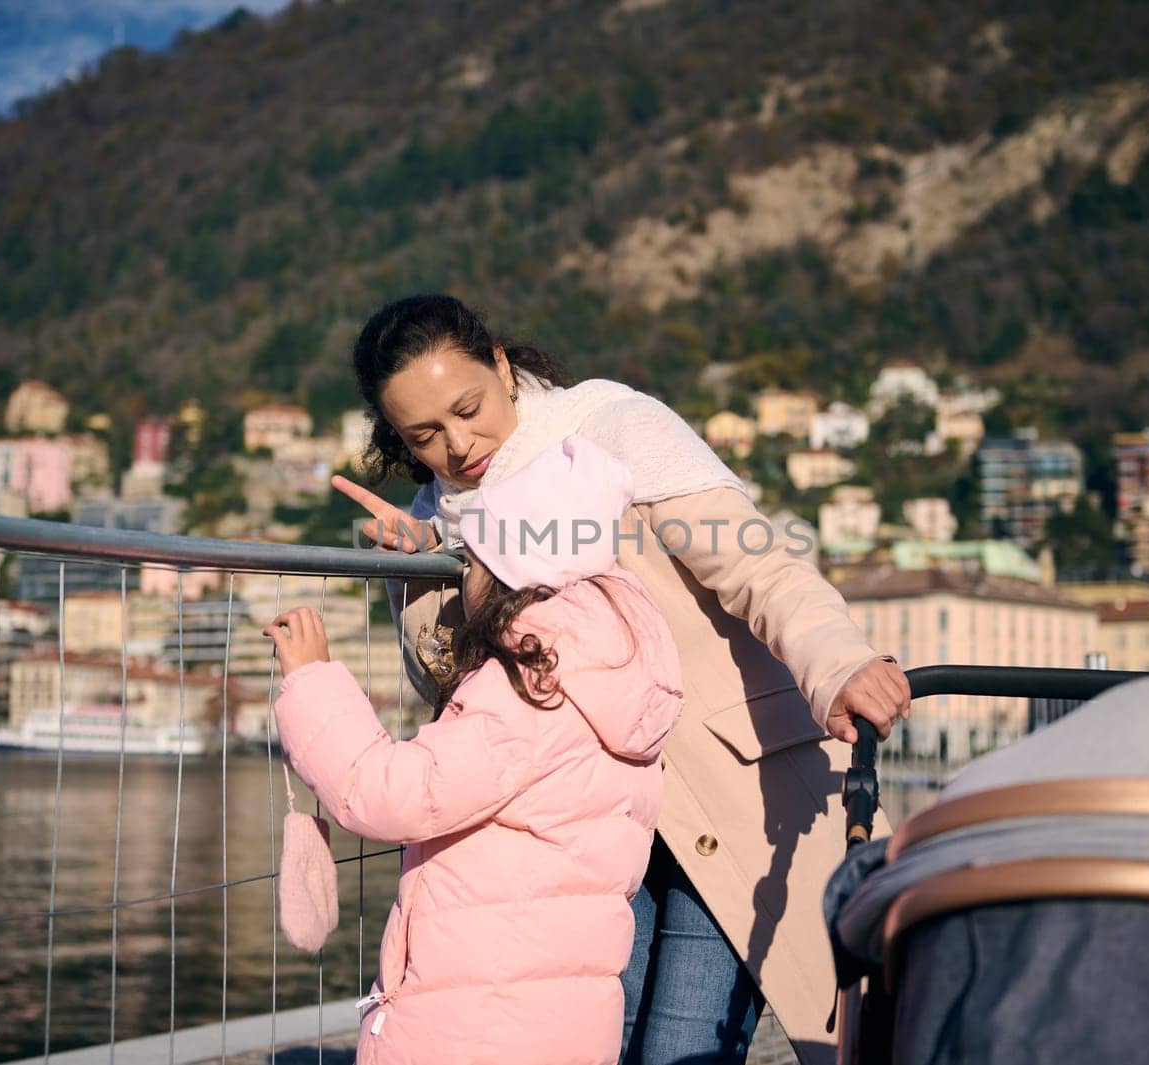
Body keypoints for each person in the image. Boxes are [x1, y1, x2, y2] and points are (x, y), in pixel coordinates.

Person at [332, 293, 913, 1064]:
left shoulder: (613, 427)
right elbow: (447, 680)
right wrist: (416, 574)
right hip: (588, 826)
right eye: (425, 435)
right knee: (600, 1043)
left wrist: (837, 660)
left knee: (683, 1047)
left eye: (467, 408)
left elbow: (757, 567)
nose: (458, 444)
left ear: (502, 365)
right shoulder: (438, 514)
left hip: (726, 786)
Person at [266, 436, 686, 1065]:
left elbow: (392, 794)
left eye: (471, 560)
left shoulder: (531, 684)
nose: (463, 576)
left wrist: (313, 680)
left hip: (475, 1023)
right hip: (559, 1021)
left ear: (510, 570)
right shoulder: (608, 671)